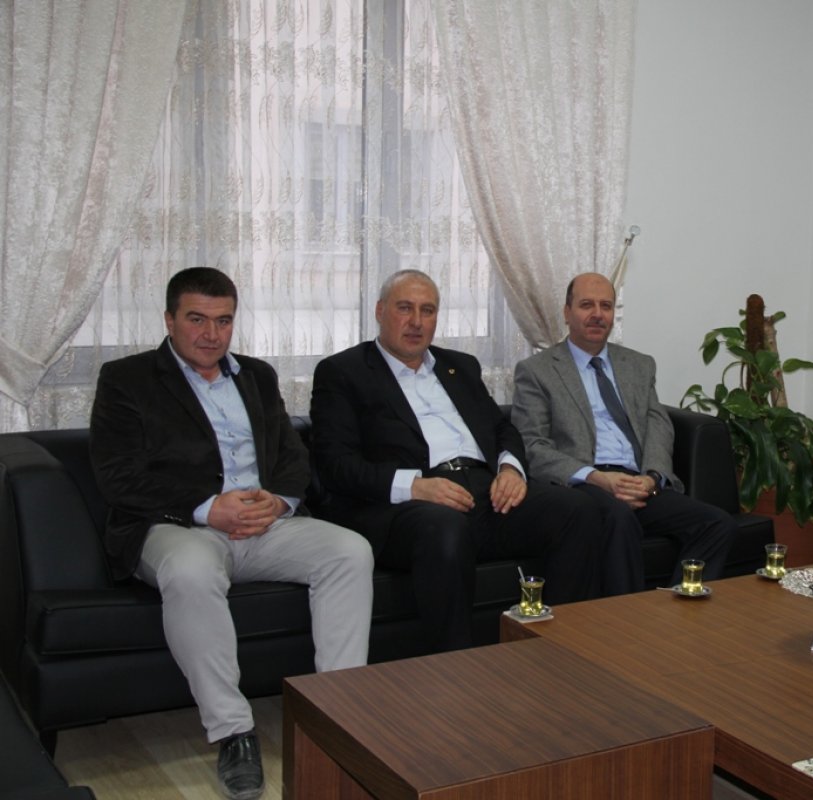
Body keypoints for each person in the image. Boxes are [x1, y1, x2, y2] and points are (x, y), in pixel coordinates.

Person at [89, 267, 373, 800]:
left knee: (349, 551)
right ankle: (233, 732)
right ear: (169, 319)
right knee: (191, 570)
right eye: (197, 319)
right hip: (175, 527)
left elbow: (292, 455)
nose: (211, 334)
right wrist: (206, 508)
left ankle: (338, 713)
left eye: (223, 321)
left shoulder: (257, 376)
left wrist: (279, 500)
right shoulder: (126, 379)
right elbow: (117, 476)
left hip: (264, 524)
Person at [308, 269, 605, 653]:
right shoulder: (343, 372)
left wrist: (510, 469)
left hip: (485, 491)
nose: (417, 322)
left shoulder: (460, 366)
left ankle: (557, 651)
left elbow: (501, 428)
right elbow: (335, 464)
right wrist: (415, 486)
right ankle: (455, 669)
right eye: (405, 308)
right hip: (408, 506)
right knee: (444, 528)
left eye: (428, 310)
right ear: (380, 311)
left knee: (578, 509)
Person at [510, 272, 736, 594]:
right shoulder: (537, 370)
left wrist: (653, 477)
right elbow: (532, 444)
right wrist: (597, 478)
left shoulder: (638, 365)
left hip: (638, 481)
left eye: (606, 306)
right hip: (584, 485)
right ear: (567, 312)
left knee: (717, 523)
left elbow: (658, 425)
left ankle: (674, 613)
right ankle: (627, 619)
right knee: (618, 517)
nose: (597, 314)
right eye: (586, 305)